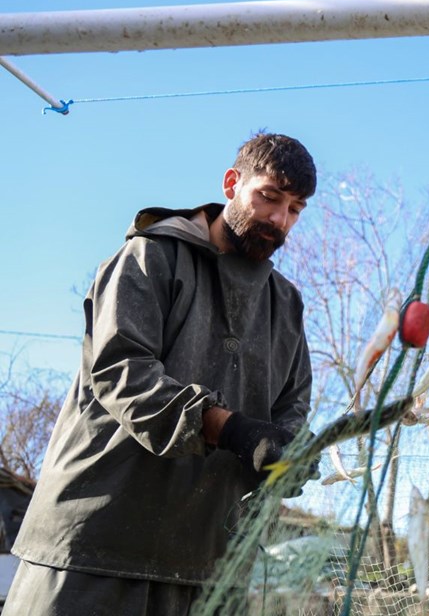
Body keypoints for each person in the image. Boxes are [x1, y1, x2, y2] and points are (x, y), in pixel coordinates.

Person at [7, 133, 319, 615]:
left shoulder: (287, 305)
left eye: (295, 209)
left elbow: (292, 407)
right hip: (92, 546)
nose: (279, 220)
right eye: (268, 197)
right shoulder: (149, 257)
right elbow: (122, 371)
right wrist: (234, 430)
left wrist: (290, 452)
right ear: (232, 183)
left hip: (209, 566)